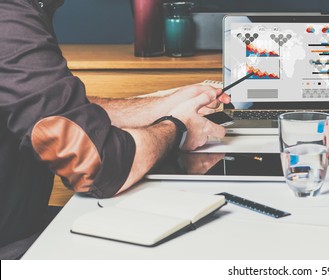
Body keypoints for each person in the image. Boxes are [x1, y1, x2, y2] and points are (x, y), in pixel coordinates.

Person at [0, 0, 230, 259]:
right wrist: (178, 127)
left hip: (24, 224)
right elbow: (98, 165)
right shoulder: (9, 17)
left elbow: (62, 109)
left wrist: (166, 103)